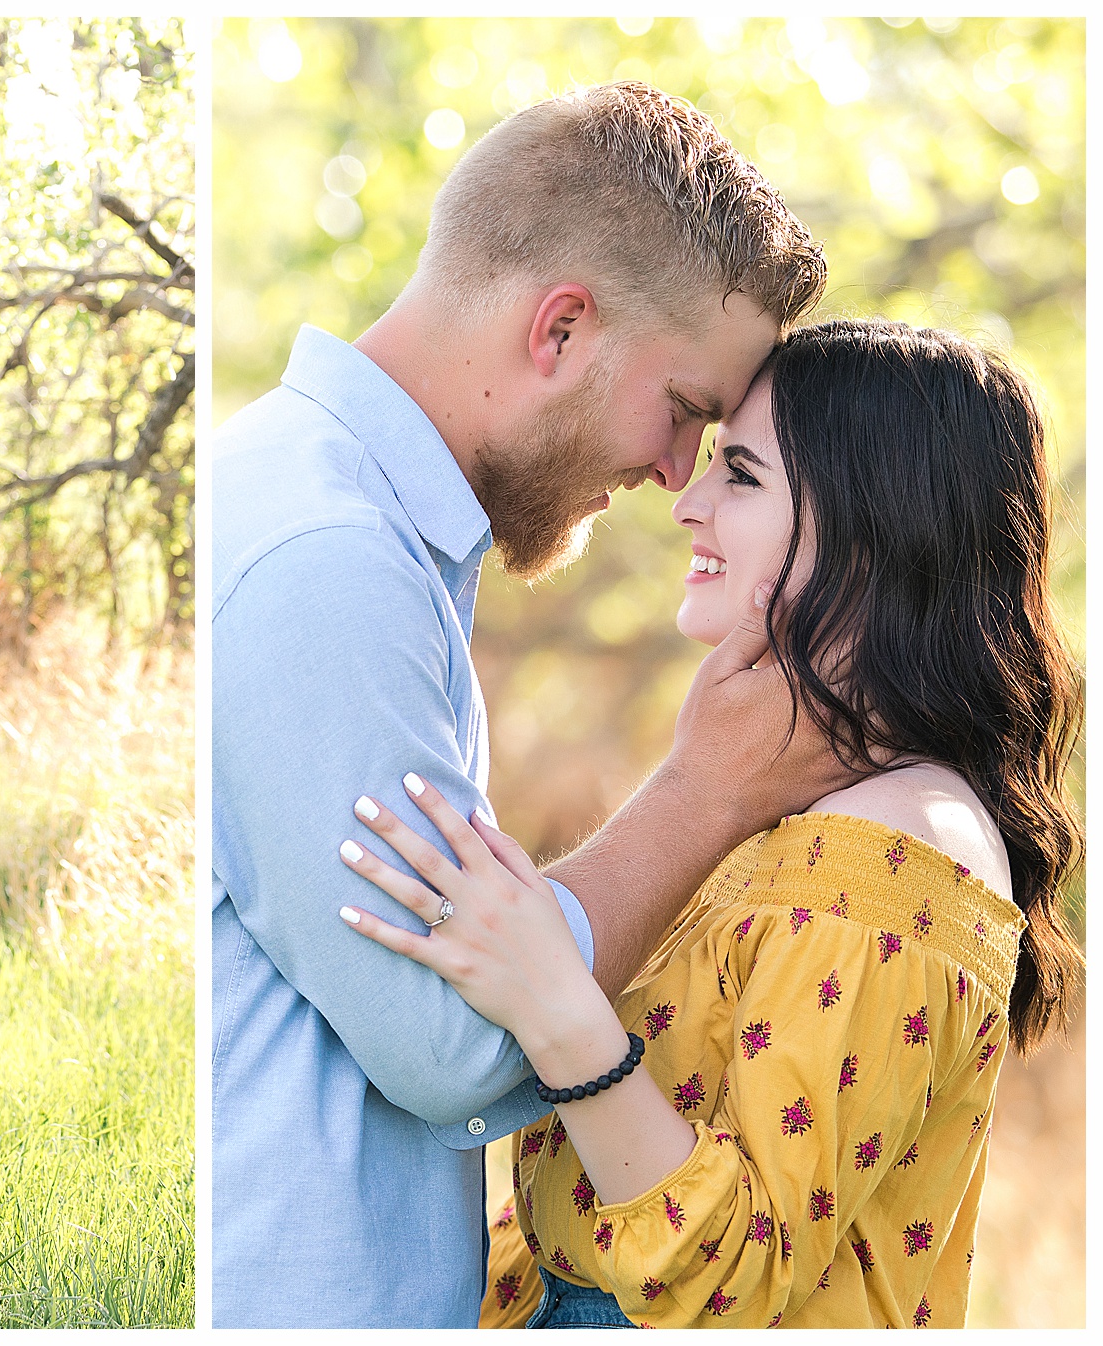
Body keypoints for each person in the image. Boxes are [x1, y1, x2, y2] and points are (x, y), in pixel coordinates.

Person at [210, 81, 850, 1329]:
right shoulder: (324, 560)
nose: (679, 478)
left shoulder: (344, 518)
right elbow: (448, 1040)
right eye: (684, 413)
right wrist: (707, 791)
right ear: (560, 329)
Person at [339, 321, 1084, 1328]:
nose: (686, 502)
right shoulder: (796, 793)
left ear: (873, 527)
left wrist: (558, 1006)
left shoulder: (906, 843)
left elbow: (735, 1274)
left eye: (740, 472)